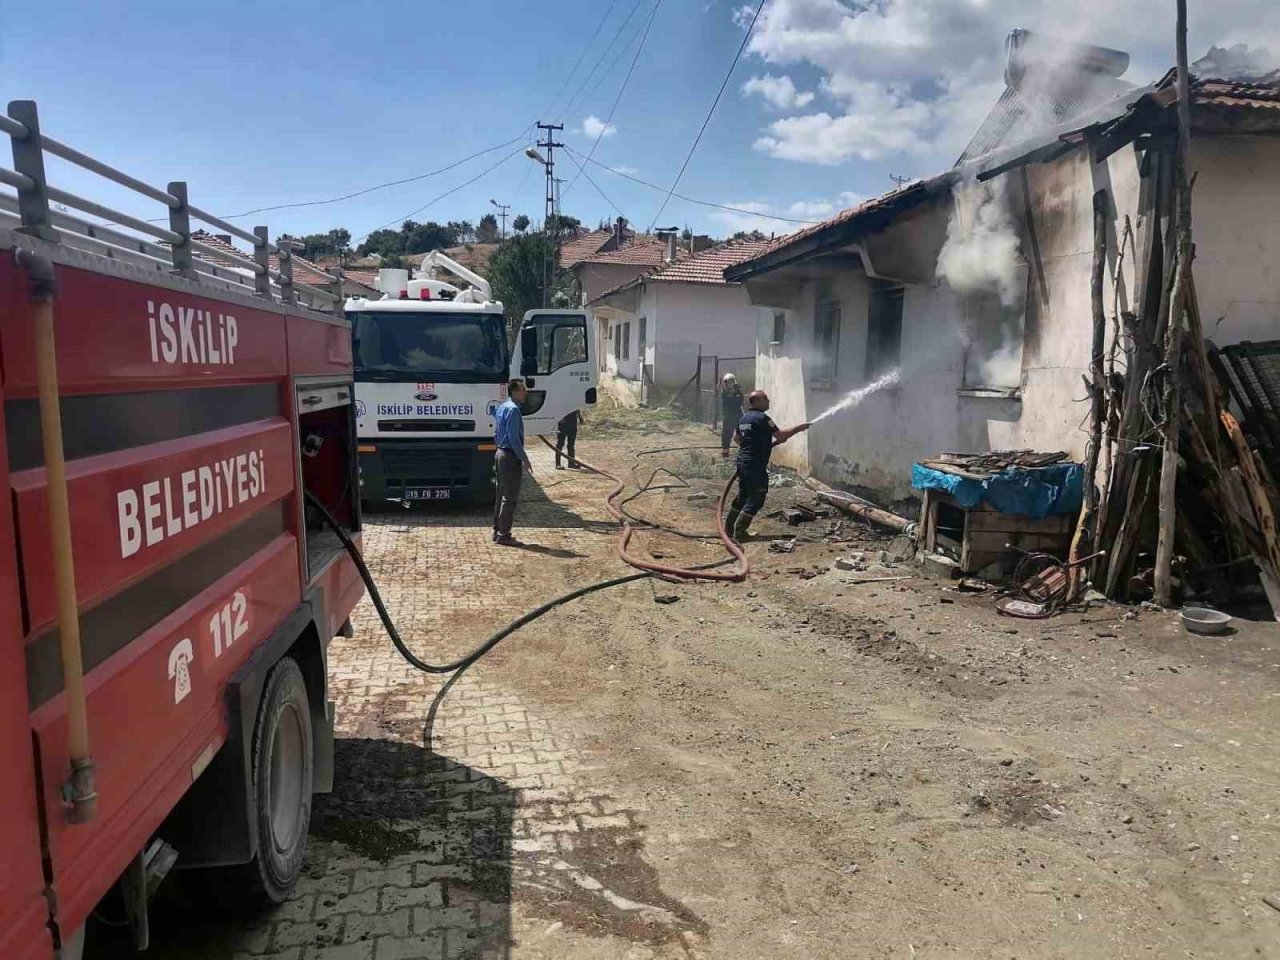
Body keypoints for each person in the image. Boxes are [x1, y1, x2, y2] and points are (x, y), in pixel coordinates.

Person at [726, 389, 810, 543]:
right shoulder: (764, 419)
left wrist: (752, 444)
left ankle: (728, 529)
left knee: (743, 495)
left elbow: (737, 438)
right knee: (757, 496)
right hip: (755, 464)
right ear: (756, 401)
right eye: (765, 398)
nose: (768, 400)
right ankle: (740, 531)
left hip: (742, 461)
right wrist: (800, 428)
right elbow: (781, 436)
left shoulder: (744, 419)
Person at [492, 379, 532, 545]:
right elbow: (514, 438)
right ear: (515, 392)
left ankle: (497, 530)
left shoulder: (502, 407)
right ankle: (504, 534)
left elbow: (496, 432)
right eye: (523, 391)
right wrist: (524, 458)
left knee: (500, 494)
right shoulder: (514, 410)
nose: (525, 394)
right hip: (509, 456)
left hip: (500, 452)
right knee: (510, 497)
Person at [719, 373, 744, 458]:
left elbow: (740, 400)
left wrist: (735, 393)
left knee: (742, 433)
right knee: (726, 434)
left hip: (738, 415)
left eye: (731, 382)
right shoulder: (724, 393)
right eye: (728, 382)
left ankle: (743, 451)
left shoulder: (739, 392)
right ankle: (725, 453)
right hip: (728, 416)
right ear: (725, 383)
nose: (730, 384)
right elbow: (724, 397)